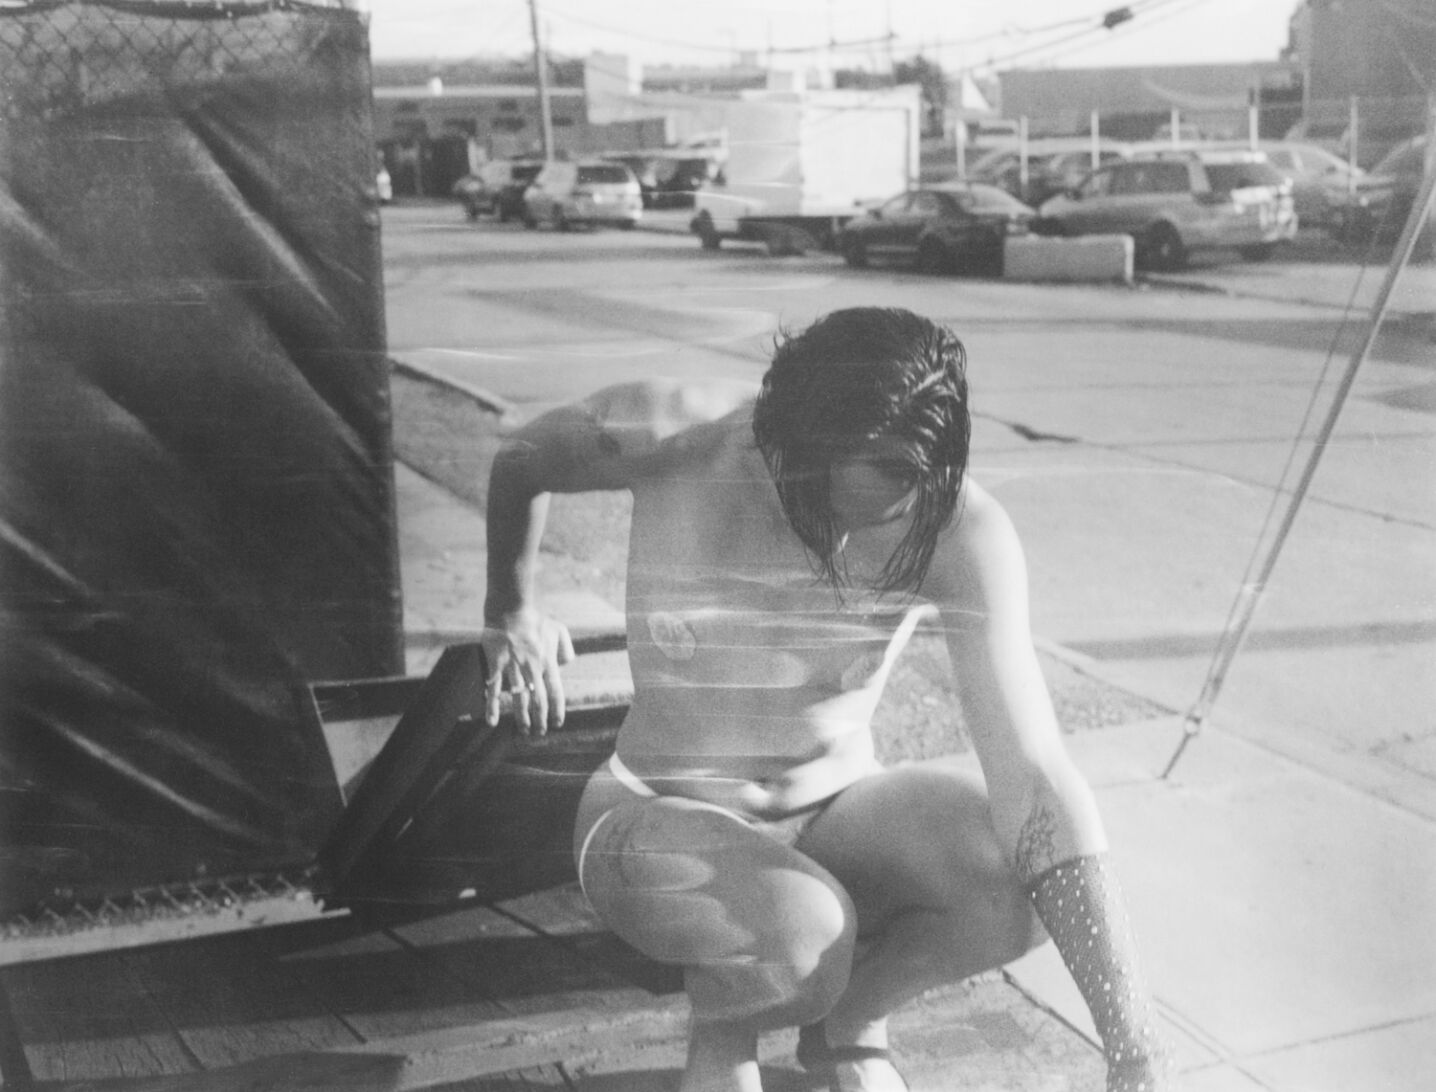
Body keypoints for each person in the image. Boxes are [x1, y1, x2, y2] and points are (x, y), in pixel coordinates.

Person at [480, 308, 1172, 1092]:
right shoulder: (674, 433)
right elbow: (523, 457)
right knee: (800, 936)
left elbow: (1036, 777)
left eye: (877, 521)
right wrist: (509, 610)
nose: (840, 550)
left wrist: (1133, 1045)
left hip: (833, 810)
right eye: (820, 513)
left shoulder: (963, 530)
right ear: (778, 444)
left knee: (1019, 882)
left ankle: (850, 1022)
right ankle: (726, 1039)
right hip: (650, 813)